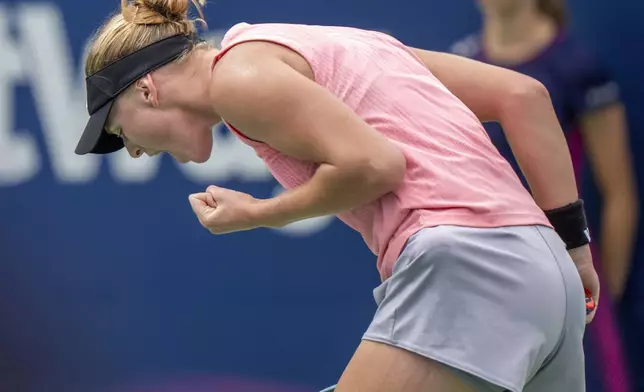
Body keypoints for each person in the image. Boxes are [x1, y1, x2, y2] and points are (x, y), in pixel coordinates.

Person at [76, 0, 599, 391]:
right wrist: (572, 248)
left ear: (146, 89)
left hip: (465, 264)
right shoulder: (338, 45)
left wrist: (259, 214)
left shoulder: (238, 78)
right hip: (545, 274)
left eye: (121, 133)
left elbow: (375, 165)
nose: (136, 152)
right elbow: (523, 96)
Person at [451, 1, 639, 390]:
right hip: (487, 278)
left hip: (566, 278)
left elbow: (619, 194)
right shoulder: (460, 63)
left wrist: (600, 298)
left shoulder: (577, 67)